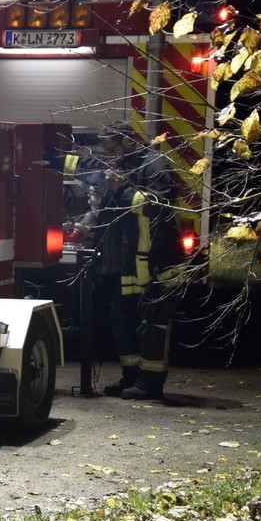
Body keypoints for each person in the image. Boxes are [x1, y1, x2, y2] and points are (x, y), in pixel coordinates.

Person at [95, 121, 182, 401]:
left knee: (152, 324)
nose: (110, 154)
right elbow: (112, 210)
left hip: (152, 262)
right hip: (125, 263)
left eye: (112, 146)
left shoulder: (155, 165)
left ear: (127, 141)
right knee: (121, 319)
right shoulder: (125, 165)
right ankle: (131, 378)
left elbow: (160, 204)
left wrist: (124, 189)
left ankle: (150, 384)